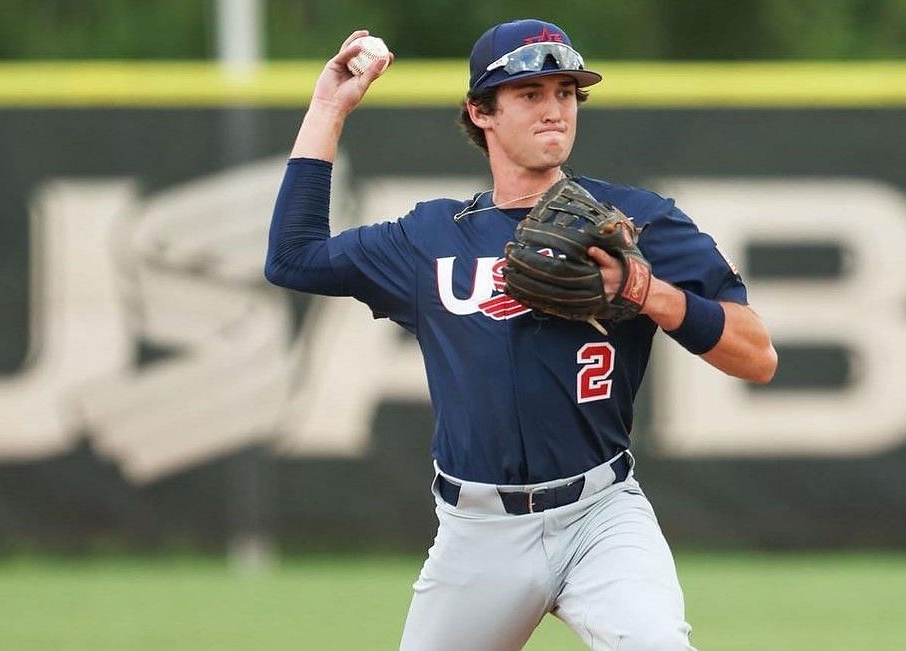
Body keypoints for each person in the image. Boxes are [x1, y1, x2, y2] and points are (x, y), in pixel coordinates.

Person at [266, 18, 777, 651]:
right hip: (476, 531)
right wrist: (327, 108)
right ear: (481, 111)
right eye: (530, 94)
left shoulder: (634, 224)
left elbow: (757, 355)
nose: (554, 110)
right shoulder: (432, 239)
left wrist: (650, 293)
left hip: (601, 515)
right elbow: (292, 257)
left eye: (566, 92)